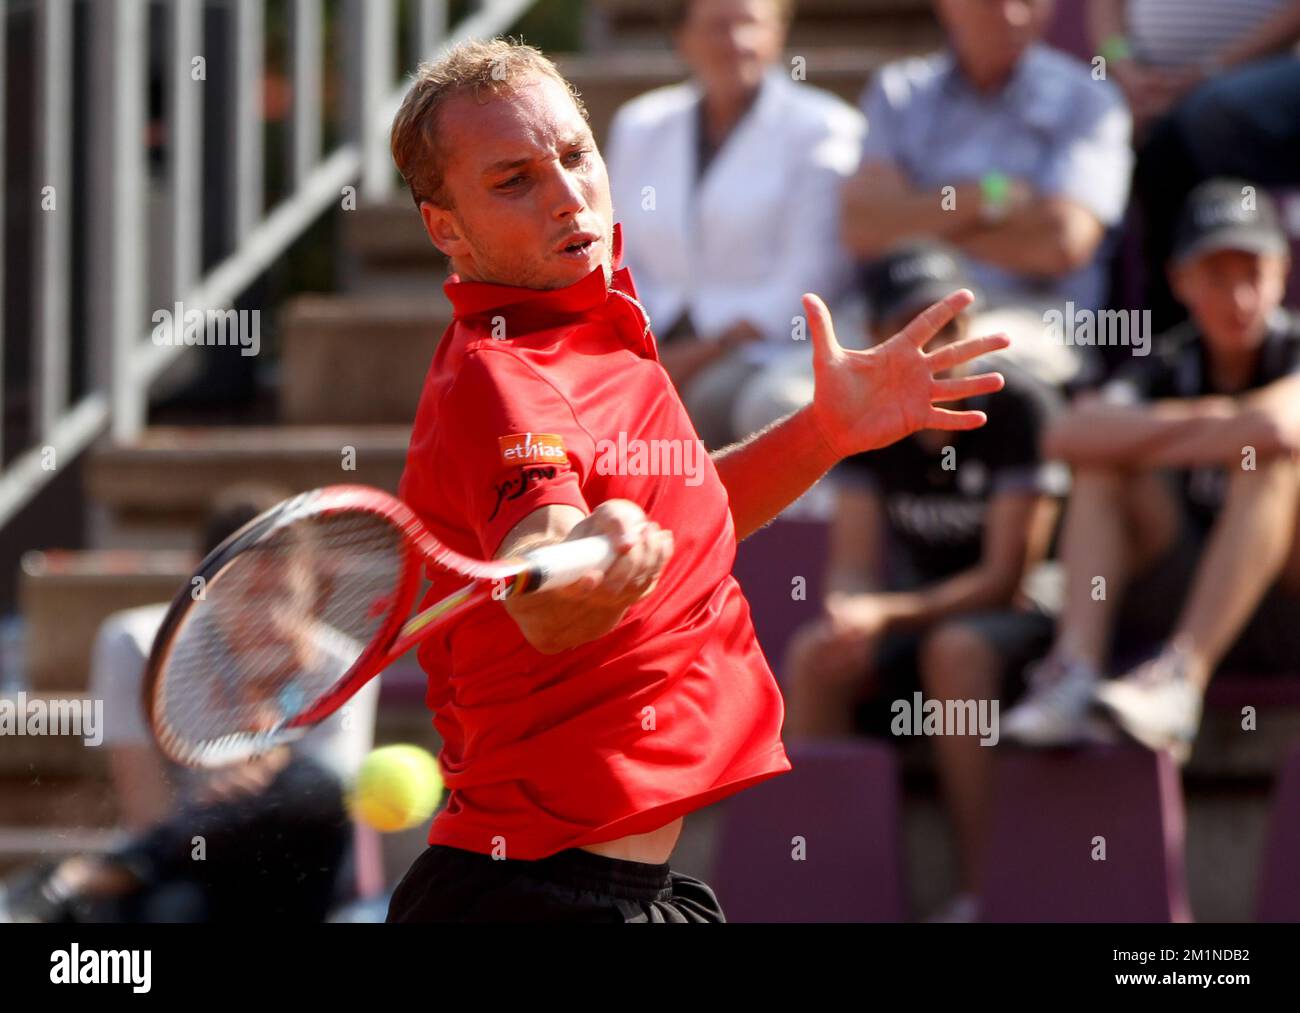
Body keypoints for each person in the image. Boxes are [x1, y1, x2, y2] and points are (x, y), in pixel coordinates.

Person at [385, 38, 1010, 922]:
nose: (569, 194)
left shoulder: (595, 323)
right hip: (532, 901)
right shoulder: (500, 378)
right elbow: (542, 586)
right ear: (446, 227)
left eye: (574, 156)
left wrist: (825, 431)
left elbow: (681, 518)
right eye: (513, 181)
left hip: (628, 891)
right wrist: (586, 556)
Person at [781, 243, 1066, 921]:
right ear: (880, 339)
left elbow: (1006, 580)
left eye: (951, 327)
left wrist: (883, 613)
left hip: (1030, 628)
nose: (938, 346)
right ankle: (832, 900)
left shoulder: (1020, 403)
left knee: (957, 652)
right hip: (917, 623)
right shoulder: (864, 418)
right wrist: (851, 611)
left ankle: (983, 897)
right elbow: (850, 563)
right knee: (816, 657)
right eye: (915, 328)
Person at [1003, 180, 1300, 763]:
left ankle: (1180, 678)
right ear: (1180, 281)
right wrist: (1219, 422)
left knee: (1267, 463)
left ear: (1284, 272)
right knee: (1100, 466)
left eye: (1253, 273)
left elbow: (1280, 429)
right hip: (1175, 588)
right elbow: (1069, 435)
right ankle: (1073, 673)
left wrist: (1159, 434)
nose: (1238, 296)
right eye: (1217, 276)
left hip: (1287, 609)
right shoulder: (1165, 361)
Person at [0, 484, 380, 923]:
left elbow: (327, 795)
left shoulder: (341, 664)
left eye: (286, 595)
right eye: (250, 594)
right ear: (204, 587)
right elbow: (145, 810)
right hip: (185, 877)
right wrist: (225, 797)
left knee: (313, 784)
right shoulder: (136, 645)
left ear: (313, 586)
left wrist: (269, 757)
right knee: (174, 910)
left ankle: (91, 875)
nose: (271, 619)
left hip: (293, 875)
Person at [605, 0, 866, 448]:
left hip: (766, 348)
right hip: (650, 336)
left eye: (750, 25)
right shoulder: (640, 125)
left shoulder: (825, 128)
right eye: (717, 28)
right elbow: (615, 249)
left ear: (779, 33)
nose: (737, 43)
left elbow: (810, 277)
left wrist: (695, 355)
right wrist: (642, 345)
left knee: (704, 399)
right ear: (681, 38)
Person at [842, 0, 1132, 320]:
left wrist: (914, 223)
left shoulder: (1091, 100)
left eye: (1028, 1)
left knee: (953, 362)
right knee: (813, 368)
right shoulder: (896, 91)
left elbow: (1061, 242)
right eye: (990, 2)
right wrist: (991, 196)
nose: (1013, 14)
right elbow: (863, 227)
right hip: (900, 315)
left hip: (1032, 320)